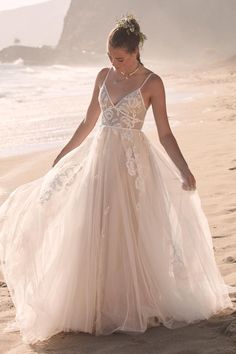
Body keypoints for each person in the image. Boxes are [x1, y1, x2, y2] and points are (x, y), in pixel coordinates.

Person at [0, 14, 234, 345]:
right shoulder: (102, 76)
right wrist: (63, 155)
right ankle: (94, 303)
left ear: (136, 50)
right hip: (99, 161)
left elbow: (165, 133)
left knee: (129, 233)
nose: (115, 64)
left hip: (132, 166)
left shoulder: (153, 83)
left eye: (120, 58)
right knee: (93, 228)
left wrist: (184, 168)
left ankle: (131, 302)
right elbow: (87, 122)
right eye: (110, 57)